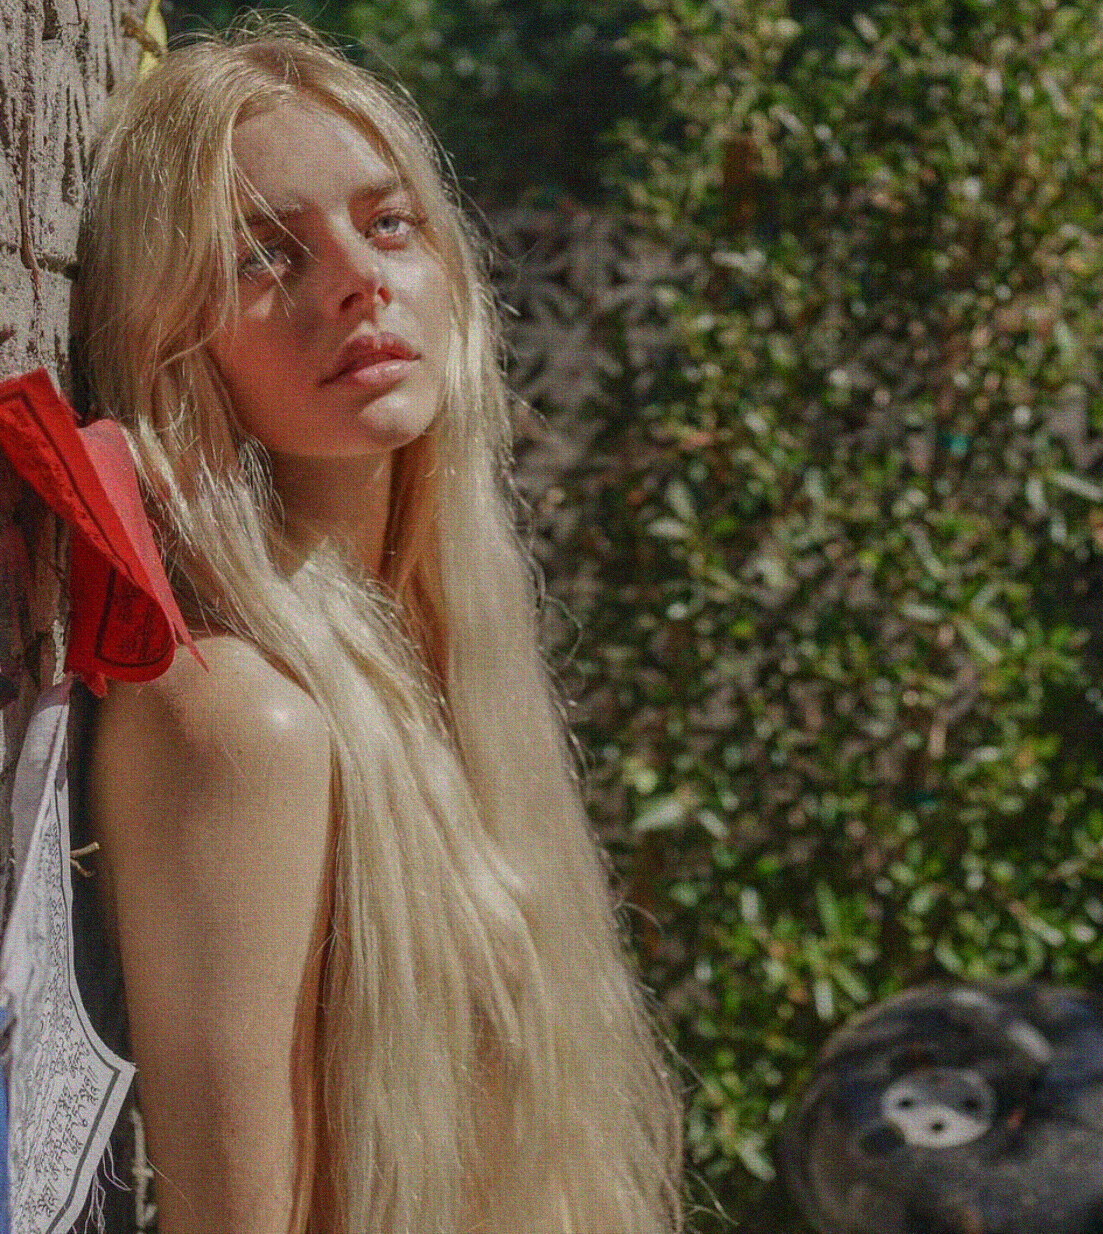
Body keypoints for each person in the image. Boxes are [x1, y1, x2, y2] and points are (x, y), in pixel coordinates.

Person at [72, 23, 682, 1234]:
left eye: (389, 223)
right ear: (164, 333)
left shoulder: (443, 665)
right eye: (264, 253)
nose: (360, 279)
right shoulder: (239, 718)